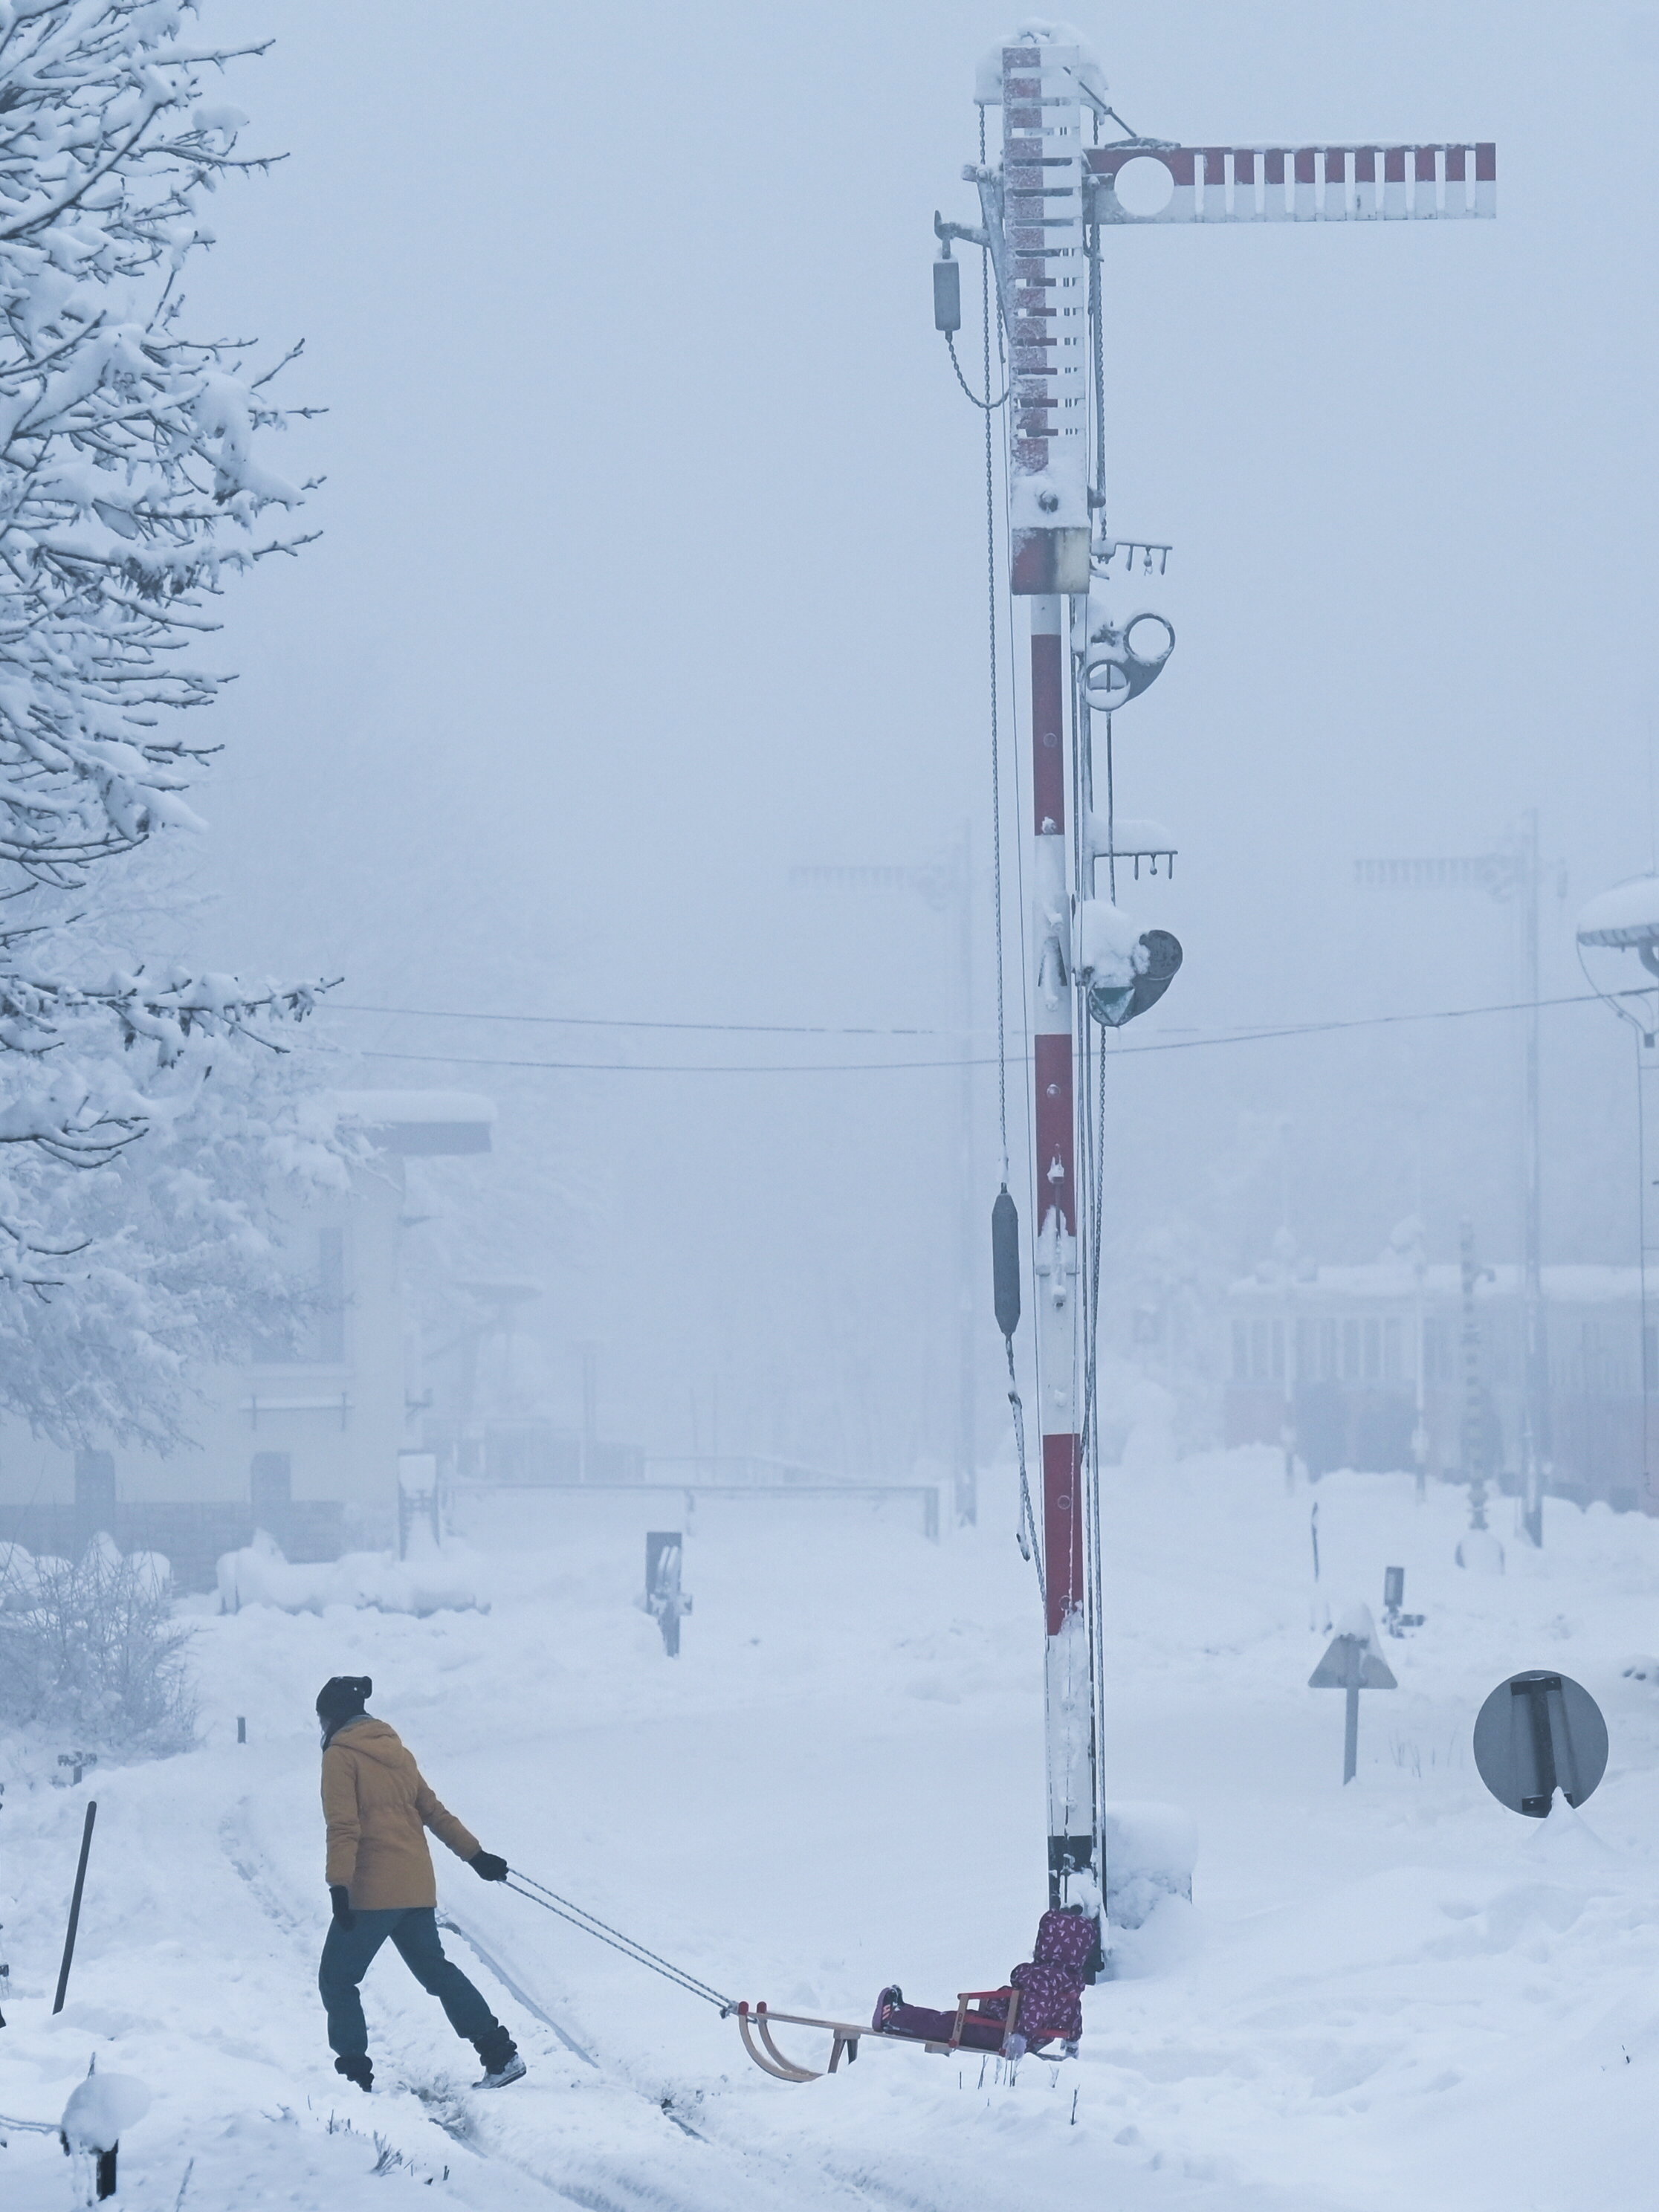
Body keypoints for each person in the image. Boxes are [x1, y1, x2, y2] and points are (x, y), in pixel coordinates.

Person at [315, 1674, 524, 2093]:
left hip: (372, 1891)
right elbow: (434, 1812)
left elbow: (343, 1826)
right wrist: (476, 1856)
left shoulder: (341, 1756)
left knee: (337, 1979)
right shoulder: (398, 1752)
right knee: (437, 1972)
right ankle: (500, 2053)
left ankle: (353, 2076)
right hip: (415, 1888)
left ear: (333, 1717)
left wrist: (339, 1886)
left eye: (321, 1718)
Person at [870, 1905, 1096, 2058]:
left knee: (946, 2023)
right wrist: (1072, 2042)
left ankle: (893, 2017)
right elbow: (1073, 2015)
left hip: (1003, 2034)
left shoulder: (1042, 1978)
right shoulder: (1070, 1983)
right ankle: (903, 2012)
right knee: (956, 2020)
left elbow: (1036, 2007)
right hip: (1018, 2033)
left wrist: (1021, 2036)